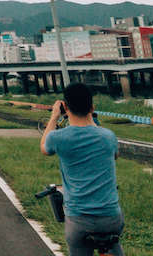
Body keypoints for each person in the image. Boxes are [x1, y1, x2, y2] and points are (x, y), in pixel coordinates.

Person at [41, 83, 124, 256]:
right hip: (111, 217)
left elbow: (44, 147)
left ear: (66, 107)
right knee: (112, 246)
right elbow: (114, 155)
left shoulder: (58, 138)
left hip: (79, 219)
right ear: (92, 108)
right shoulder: (108, 136)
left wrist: (55, 116)